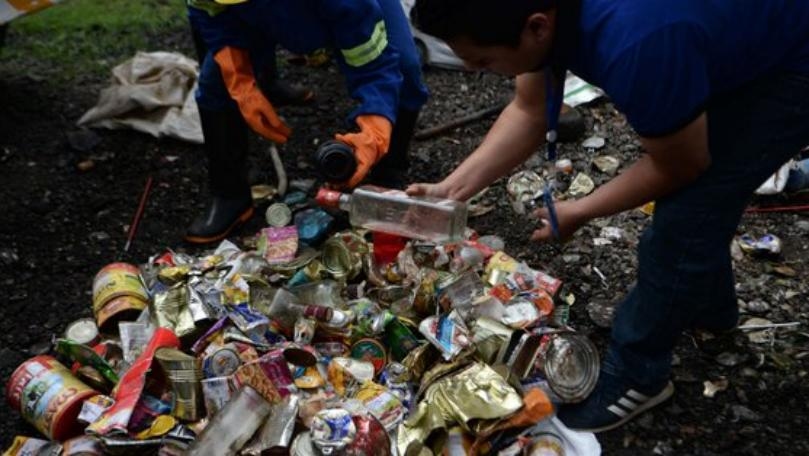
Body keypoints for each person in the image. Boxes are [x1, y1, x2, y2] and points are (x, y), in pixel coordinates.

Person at [409, 0, 809, 432]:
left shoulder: (636, 44)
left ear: (537, 28)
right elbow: (529, 108)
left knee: (685, 219)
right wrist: (452, 190)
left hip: (794, 62)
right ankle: (705, 306)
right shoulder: (540, 12)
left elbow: (682, 164)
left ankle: (640, 372)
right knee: (703, 200)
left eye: (485, 60)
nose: (481, 71)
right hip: (733, 28)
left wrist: (581, 209)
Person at [185, 0, 428, 244]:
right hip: (248, 11)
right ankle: (229, 195)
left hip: (345, 8)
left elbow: (375, 64)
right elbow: (207, 11)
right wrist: (239, 79)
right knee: (215, 87)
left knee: (404, 71)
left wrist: (376, 126)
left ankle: (388, 175)